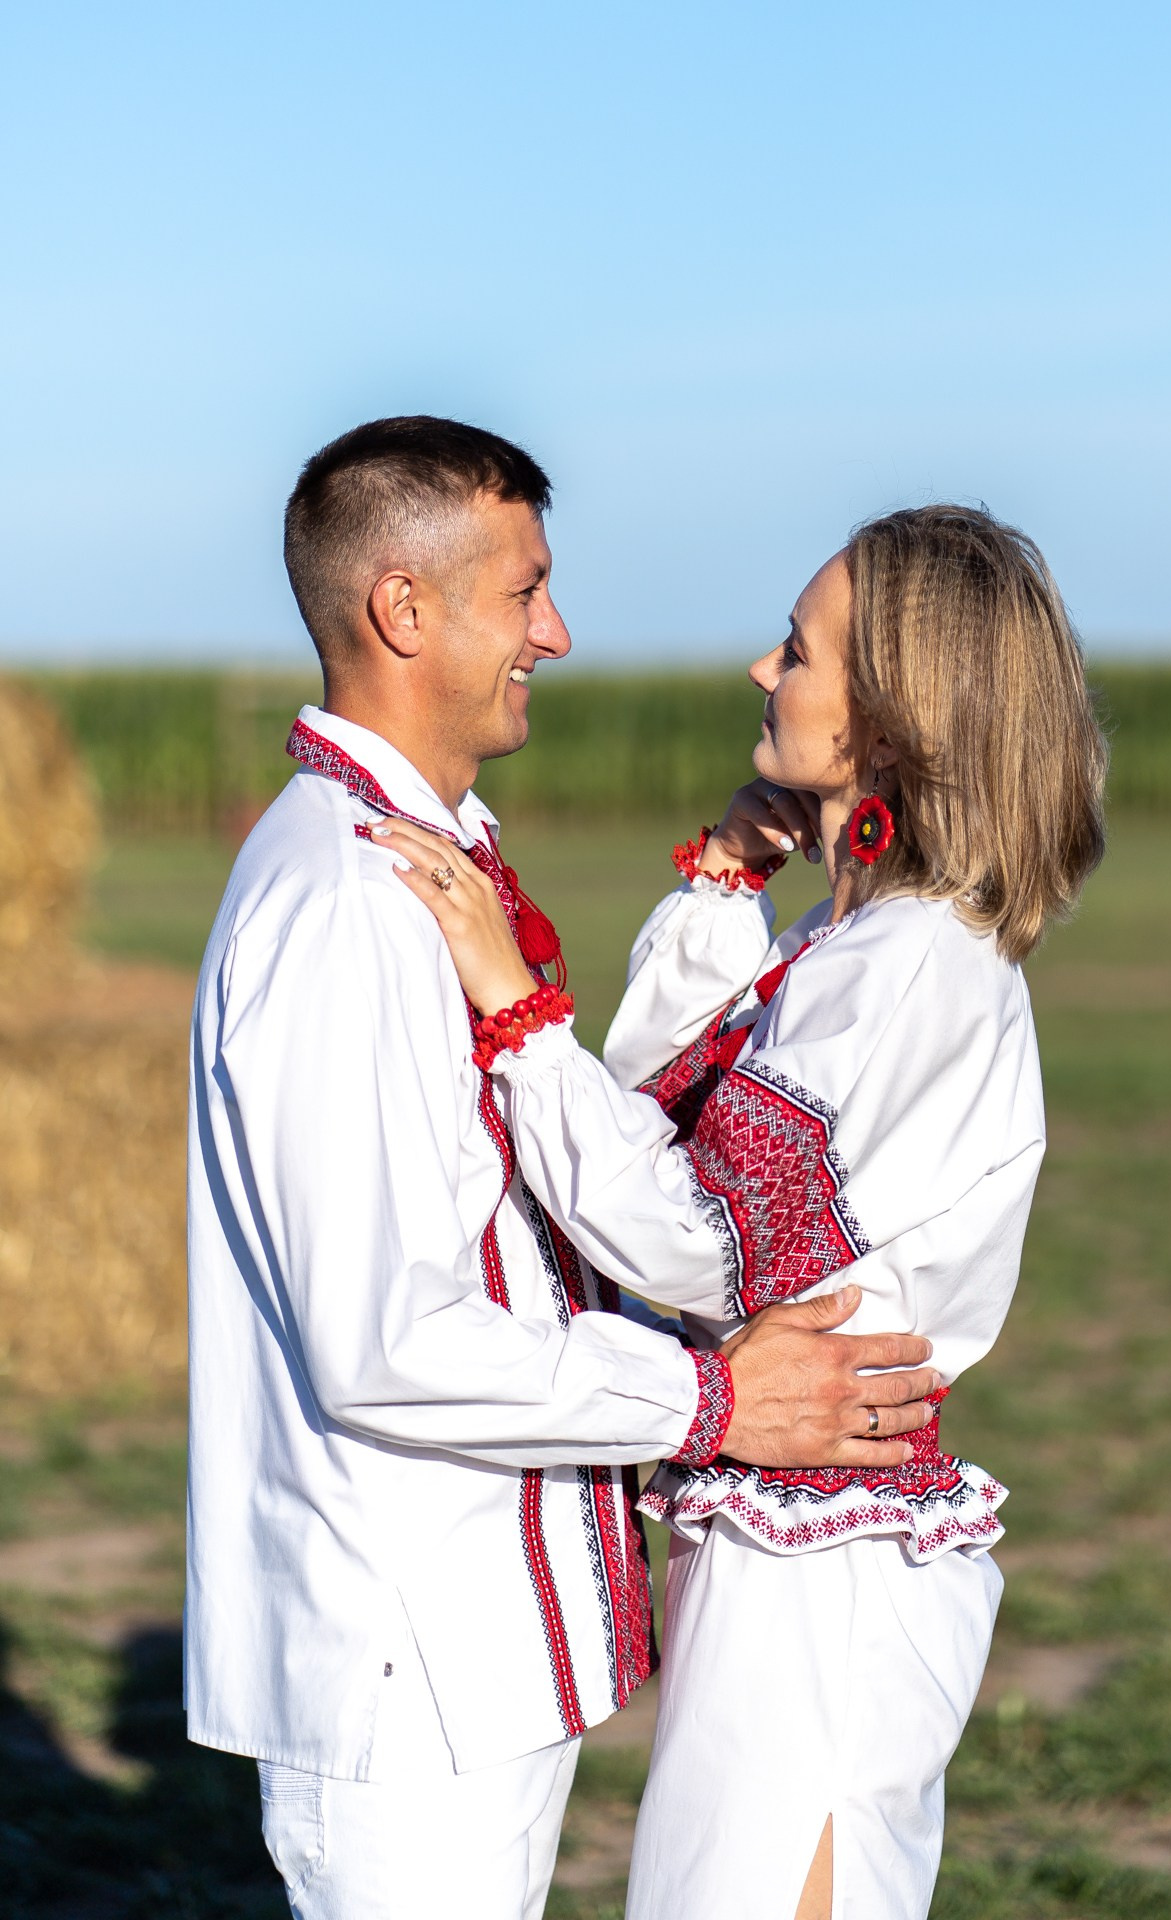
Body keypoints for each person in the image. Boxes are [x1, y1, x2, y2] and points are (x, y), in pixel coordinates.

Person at [184, 416, 943, 1920]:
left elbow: (520, 1219)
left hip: (465, 1645)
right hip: (412, 1672)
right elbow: (385, 1338)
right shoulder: (351, 901)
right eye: (526, 591)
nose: (560, 632)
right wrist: (719, 1401)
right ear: (404, 610)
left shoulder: (417, 863)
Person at [378, 503, 1108, 1919]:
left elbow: (701, 1242)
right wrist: (729, 875)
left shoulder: (916, 971)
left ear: (893, 718)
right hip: (779, 1529)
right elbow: (655, 1101)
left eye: (799, 650)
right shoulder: (846, 945)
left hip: (827, 1582)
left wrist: (516, 1020)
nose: (761, 675)